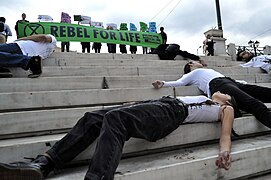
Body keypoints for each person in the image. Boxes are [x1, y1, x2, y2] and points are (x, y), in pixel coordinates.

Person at [0, 92, 235, 179]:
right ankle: (44, 164)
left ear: (227, 100)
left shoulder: (225, 108)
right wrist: (134, 104)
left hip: (173, 113)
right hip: (161, 104)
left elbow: (225, 135)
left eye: (226, 93)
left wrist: (224, 152)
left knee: (115, 119)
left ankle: (98, 177)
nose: (222, 92)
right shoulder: (199, 95)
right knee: (93, 117)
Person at [152, 60, 271, 129]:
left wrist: (243, 84)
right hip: (219, 85)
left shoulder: (208, 70)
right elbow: (180, 82)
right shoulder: (194, 73)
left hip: (230, 82)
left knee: (265, 93)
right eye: (196, 62)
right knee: (255, 104)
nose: (199, 62)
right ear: (190, 65)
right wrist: (163, 83)